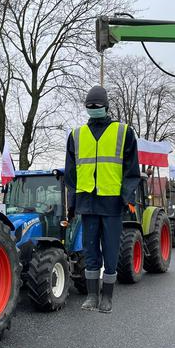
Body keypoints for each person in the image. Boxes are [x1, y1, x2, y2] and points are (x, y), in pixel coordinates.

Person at [64, 86, 140, 313]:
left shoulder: (123, 132)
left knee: (110, 249)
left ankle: (107, 297)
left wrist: (128, 197)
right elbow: (70, 174)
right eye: (90, 107)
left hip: (112, 202)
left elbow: (131, 169)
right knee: (90, 250)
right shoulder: (76, 135)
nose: (93, 109)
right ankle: (91, 296)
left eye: (97, 106)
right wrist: (72, 204)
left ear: (106, 106)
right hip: (87, 201)